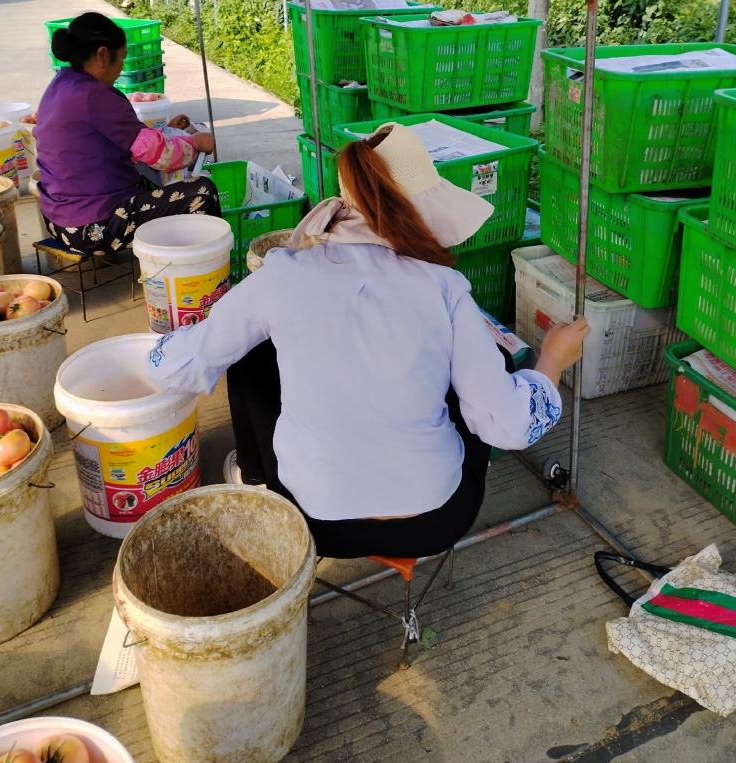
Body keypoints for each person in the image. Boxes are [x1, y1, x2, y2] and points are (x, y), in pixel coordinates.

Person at [147, 122, 589, 558]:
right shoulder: (443, 288)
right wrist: (551, 359)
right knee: (482, 364)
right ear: (420, 213)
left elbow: (178, 366)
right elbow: (508, 425)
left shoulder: (282, 274)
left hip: (309, 520)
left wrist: (176, 339)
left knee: (250, 353)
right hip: (432, 521)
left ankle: (255, 472)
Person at [35, 12, 221, 255]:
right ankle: (198, 270)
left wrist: (165, 132)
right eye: (121, 58)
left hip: (57, 219)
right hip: (90, 229)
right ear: (103, 55)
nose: (122, 66)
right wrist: (195, 143)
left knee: (146, 177)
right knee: (202, 191)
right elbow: (162, 156)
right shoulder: (97, 96)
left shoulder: (61, 84)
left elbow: (114, 141)